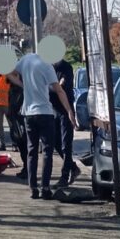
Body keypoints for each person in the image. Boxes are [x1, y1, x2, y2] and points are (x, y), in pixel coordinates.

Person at [8, 54, 75, 200]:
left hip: (28, 114)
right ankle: (45, 188)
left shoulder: (25, 60)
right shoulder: (47, 66)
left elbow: (9, 73)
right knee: (47, 152)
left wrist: (22, 85)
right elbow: (59, 90)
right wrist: (69, 111)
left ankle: (33, 188)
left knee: (31, 151)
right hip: (45, 113)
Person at [50, 58, 81, 188]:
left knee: (66, 145)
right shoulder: (49, 67)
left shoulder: (66, 68)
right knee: (55, 142)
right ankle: (73, 167)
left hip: (66, 109)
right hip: (54, 109)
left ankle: (64, 177)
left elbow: (61, 86)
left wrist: (48, 86)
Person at [7, 82, 28, 180]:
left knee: (24, 146)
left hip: (21, 121)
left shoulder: (22, 90)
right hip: (15, 121)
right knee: (21, 146)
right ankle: (26, 168)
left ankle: (27, 169)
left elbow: (17, 107)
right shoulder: (12, 90)